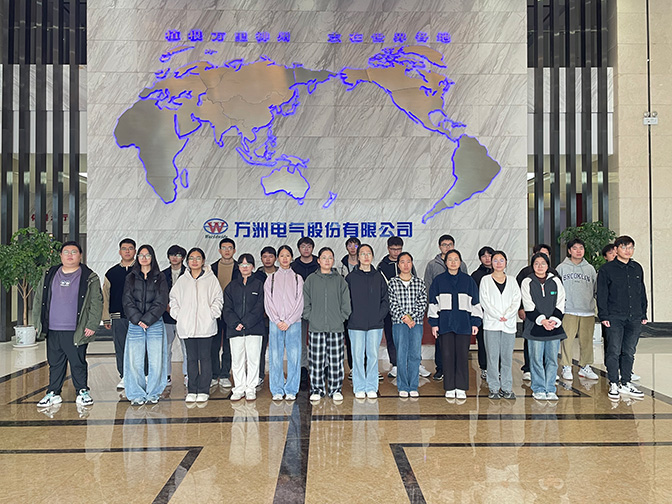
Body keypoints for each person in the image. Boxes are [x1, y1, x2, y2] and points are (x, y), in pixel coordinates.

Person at [35, 241, 103, 410]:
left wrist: (92, 324)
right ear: (60, 256)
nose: (70, 255)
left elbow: (96, 302)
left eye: (74, 252)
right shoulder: (50, 273)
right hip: (53, 328)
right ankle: (53, 392)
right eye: (66, 252)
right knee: (55, 363)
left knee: (77, 362)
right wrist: (37, 323)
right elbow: (38, 299)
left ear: (80, 256)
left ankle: (82, 391)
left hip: (76, 329)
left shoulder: (89, 277)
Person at [169, 247, 223, 403]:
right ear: (187, 261)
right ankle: (192, 389)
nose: (194, 261)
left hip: (206, 326)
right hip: (187, 327)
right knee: (191, 359)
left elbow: (218, 299)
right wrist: (179, 316)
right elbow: (173, 299)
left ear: (203, 261)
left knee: (205, 358)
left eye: (198, 258)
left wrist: (212, 314)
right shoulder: (183, 280)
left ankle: (204, 390)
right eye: (191, 258)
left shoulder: (211, 279)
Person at [597, 235, 647, 401]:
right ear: (616, 249)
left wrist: (643, 313)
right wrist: (603, 315)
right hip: (614, 317)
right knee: (613, 350)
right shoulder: (606, 269)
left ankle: (626, 382)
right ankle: (613, 382)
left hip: (634, 316)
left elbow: (642, 292)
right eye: (624, 247)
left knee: (629, 351)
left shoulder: (636, 268)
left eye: (630, 247)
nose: (628, 251)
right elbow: (602, 294)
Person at [428, 249, 482, 400]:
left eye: (456, 259)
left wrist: (475, 322)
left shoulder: (468, 281)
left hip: (464, 324)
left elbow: (475, 302)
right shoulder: (439, 281)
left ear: (460, 262)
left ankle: (461, 387)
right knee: (447, 355)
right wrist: (434, 323)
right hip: (445, 324)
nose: (453, 262)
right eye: (450, 259)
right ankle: (450, 387)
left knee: (462, 356)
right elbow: (433, 303)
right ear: (445, 263)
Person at [122, 244, 169, 406]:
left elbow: (162, 300)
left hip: (154, 323)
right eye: (141, 255)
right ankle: (136, 393)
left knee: (157, 361)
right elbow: (127, 300)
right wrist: (137, 320)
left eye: (147, 255)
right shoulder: (131, 277)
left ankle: (154, 393)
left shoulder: (160, 277)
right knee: (134, 361)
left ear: (152, 257)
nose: (144, 258)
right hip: (135, 324)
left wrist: (148, 320)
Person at [303, 247, 351, 402]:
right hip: (316, 327)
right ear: (318, 260)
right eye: (324, 257)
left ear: (333, 260)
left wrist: (341, 318)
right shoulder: (311, 279)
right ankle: (317, 389)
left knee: (336, 360)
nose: (327, 260)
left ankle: (335, 389)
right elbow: (305, 302)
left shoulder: (340, 280)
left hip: (336, 327)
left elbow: (346, 303)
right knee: (316, 361)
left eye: (330, 258)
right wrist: (311, 317)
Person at [520, 252, 566, 401]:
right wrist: (542, 321)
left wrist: (553, 320)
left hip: (553, 327)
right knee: (536, 359)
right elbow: (528, 305)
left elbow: (561, 302)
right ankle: (539, 388)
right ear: (532, 265)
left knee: (552, 360)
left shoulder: (556, 281)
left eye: (543, 263)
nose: (540, 266)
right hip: (535, 327)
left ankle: (550, 388)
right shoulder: (527, 281)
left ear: (548, 265)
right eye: (536, 263)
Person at [424, 234, 468, 383]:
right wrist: (430, 309)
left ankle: (456, 371)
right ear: (439, 247)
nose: (447, 247)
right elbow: (428, 286)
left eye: (450, 244)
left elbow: (466, 287)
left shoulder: (462, 264)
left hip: (459, 311)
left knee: (458, 343)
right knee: (441, 342)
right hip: (441, 311)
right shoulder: (432, 265)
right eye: (444, 245)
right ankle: (441, 369)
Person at [348, 244, 389, 399]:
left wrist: (379, 316)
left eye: (369, 253)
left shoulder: (378, 277)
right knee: (357, 356)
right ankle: (359, 386)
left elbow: (385, 299)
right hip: (356, 324)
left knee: (372, 355)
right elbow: (345, 301)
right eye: (363, 253)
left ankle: (371, 386)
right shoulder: (351, 278)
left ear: (372, 256)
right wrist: (351, 316)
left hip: (375, 324)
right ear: (358, 257)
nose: (366, 256)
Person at [479, 251, 521, 400]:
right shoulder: (485, 280)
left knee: (507, 358)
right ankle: (494, 388)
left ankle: (507, 387)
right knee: (492, 357)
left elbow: (516, 300)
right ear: (491, 263)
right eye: (495, 260)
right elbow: (484, 301)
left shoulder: (512, 280)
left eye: (501, 260)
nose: (498, 263)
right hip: (492, 324)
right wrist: (498, 315)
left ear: (506, 262)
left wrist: (507, 315)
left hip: (508, 324)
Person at [264, 245, 304, 401]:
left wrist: (288, 321)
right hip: (275, 323)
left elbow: (300, 302)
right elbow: (268, 302)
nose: (285, 258)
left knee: (294, 357)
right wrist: (276, 320)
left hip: (293, 323)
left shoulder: (298, 278)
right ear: (277, 258)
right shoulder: (271, 279)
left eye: (287, 255)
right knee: (275, 356)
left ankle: (292, 389)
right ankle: (277, 389)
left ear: (292, 258)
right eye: (282, 256)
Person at [223, 254, 265, 401]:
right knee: (237, 360)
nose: (245, 267)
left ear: (253, 267)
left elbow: (260, 306)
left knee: (253, 359)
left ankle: (251, 388)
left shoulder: (259, 285)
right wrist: (236, 323)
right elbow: (227, 308)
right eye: (242, 265)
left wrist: (246, 322)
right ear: (238, 267)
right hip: (235, 329)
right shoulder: (231, 286)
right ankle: (239, 388)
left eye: (248, 264)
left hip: (254, 328)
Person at [556, 238, 599, 381]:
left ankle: (585, 366)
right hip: (568, 310)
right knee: (567, 340)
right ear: (569, 251)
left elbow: (595, 288)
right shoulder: (561, 268)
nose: (578, 251)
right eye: (575, 248)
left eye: (581, 248)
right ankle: (566, 366)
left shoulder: (590, 269)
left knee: (586, 341)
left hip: (587, 310)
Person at [516, 243, 559, 381]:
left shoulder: (554, 275)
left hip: (550, 316)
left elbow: (560, 297)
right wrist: (521, 308)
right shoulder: (525, 274)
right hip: (531, 315)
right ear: (534, 255)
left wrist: (555, 316)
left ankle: (549, 371)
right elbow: (519, 293)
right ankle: (528, 368)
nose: (541, 262)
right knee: (531, 342)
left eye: (545, 255)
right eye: (540, 254)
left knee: (549, 345)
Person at [387, 252, 427, 398]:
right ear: (398, 265)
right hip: (399, 323)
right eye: (402, 262)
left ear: (412, 263)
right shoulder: (393, 283)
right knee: (401, 355)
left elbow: (423, 302)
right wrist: (405, 318)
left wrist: (412, 318)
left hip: (416, 323)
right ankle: (403, 386)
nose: (405, 265)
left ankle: (413, 385)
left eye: (408, 261)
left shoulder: (419, 283)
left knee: (415, 354)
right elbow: (392, 303)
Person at [102, 238, 136, 390]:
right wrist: (106, 318)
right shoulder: (112, 273)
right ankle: (124, 376)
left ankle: (142, 375)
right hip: (118, 316)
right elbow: (105, 296)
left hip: (138, 317)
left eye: (130, 248)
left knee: (139, 347)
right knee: (121, 347)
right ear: (119, 251)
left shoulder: (141, 270)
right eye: (124, 248)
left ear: (135, 251)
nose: (127, 251)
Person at [211, 237, 240, 388]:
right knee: (214, 345)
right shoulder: (211, 268)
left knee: (229, 346)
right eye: (224, 248)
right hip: (215, 312)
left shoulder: (239, 268)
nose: (227, 251)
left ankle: (224, 374)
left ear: (234, 251)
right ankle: (213, 374)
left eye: (230, 248)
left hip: (232, 312)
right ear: (219, 250)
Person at [292, 236, 319, 388]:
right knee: (301, 339)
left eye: (309, 246)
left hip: (317, 307)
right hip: (299, 308)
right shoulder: (293, 266)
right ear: (299, 249)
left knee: (317, 339)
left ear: (312, 248)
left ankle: (318, 366)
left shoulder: (319, 264)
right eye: (303, 246)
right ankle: (303, 367)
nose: (306, 249)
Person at [161, 244, 187, 387]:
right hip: (167, 316)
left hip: (185, 316)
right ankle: (166, 376)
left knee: (186, 348)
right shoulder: (162, 274)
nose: (174, 258)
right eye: (172, 255)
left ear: (182, 257)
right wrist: (166, 306)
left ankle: (187, 374)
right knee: (166, 348)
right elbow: (159, 293)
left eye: (178, 255)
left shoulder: (189, 273)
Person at [254, 246, 278, 386]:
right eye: (265, 257)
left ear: (275, 258)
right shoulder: (257, 275)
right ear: (261, 259)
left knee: (277, 348)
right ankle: (259, 375)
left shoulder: (281, 273)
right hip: (261, 318)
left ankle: (278, 376)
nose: (268, 259)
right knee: (260, 348)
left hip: (278, 317)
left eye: (270, 256)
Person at [471, 246, 494, 380]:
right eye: (484, 256)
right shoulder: (476, 275)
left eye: (489, 255)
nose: (487, 258)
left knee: (496, 343)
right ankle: (484, 368)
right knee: (483, 342)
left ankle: (497, 368)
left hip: (497, 315)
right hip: (482, 314)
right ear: (480, 259)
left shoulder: (500, 274)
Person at [337, 237, 360, 377]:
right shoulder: (340, 266)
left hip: (362, 306)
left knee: (363, 339)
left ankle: (365, 366)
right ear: (346, 247)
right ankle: (352, 367)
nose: (352, 248)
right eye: (350, 245)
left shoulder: (365, 264)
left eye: (355, 245)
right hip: (346, 306)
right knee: (349, 338)